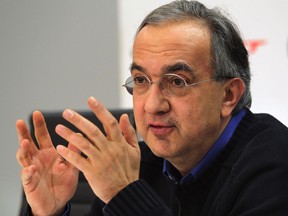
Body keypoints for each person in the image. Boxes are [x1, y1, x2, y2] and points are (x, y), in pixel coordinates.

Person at [16, 1, 288, 215]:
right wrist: (49, 213)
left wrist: (125, 194)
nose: (153, 105)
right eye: (141, 80)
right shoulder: (143, 164)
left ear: (228, 95)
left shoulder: (275, 164)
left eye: (177, 81)